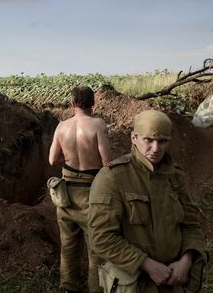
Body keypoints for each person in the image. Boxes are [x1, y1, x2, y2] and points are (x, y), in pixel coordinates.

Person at [88, 110, 206, 293]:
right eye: (148, 140)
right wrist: (147, 264)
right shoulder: (112, 178)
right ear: (134, 138)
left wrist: (186, 259)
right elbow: (101, 237)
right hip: (137, 283)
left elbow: (191, 225)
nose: (156, 148)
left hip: (173, 281)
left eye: (162, 141)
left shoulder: (175, 176)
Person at [49, 86, 112, 293]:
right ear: (93, 103)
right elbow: (107, 163)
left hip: (66, 195)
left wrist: (68, 158)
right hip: (91, 194)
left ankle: (68, 287)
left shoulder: (62, 127)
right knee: (96, 248)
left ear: (72, 103)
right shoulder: (98, 125)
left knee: (68, 246)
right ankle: (96, 288)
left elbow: (52, 160)